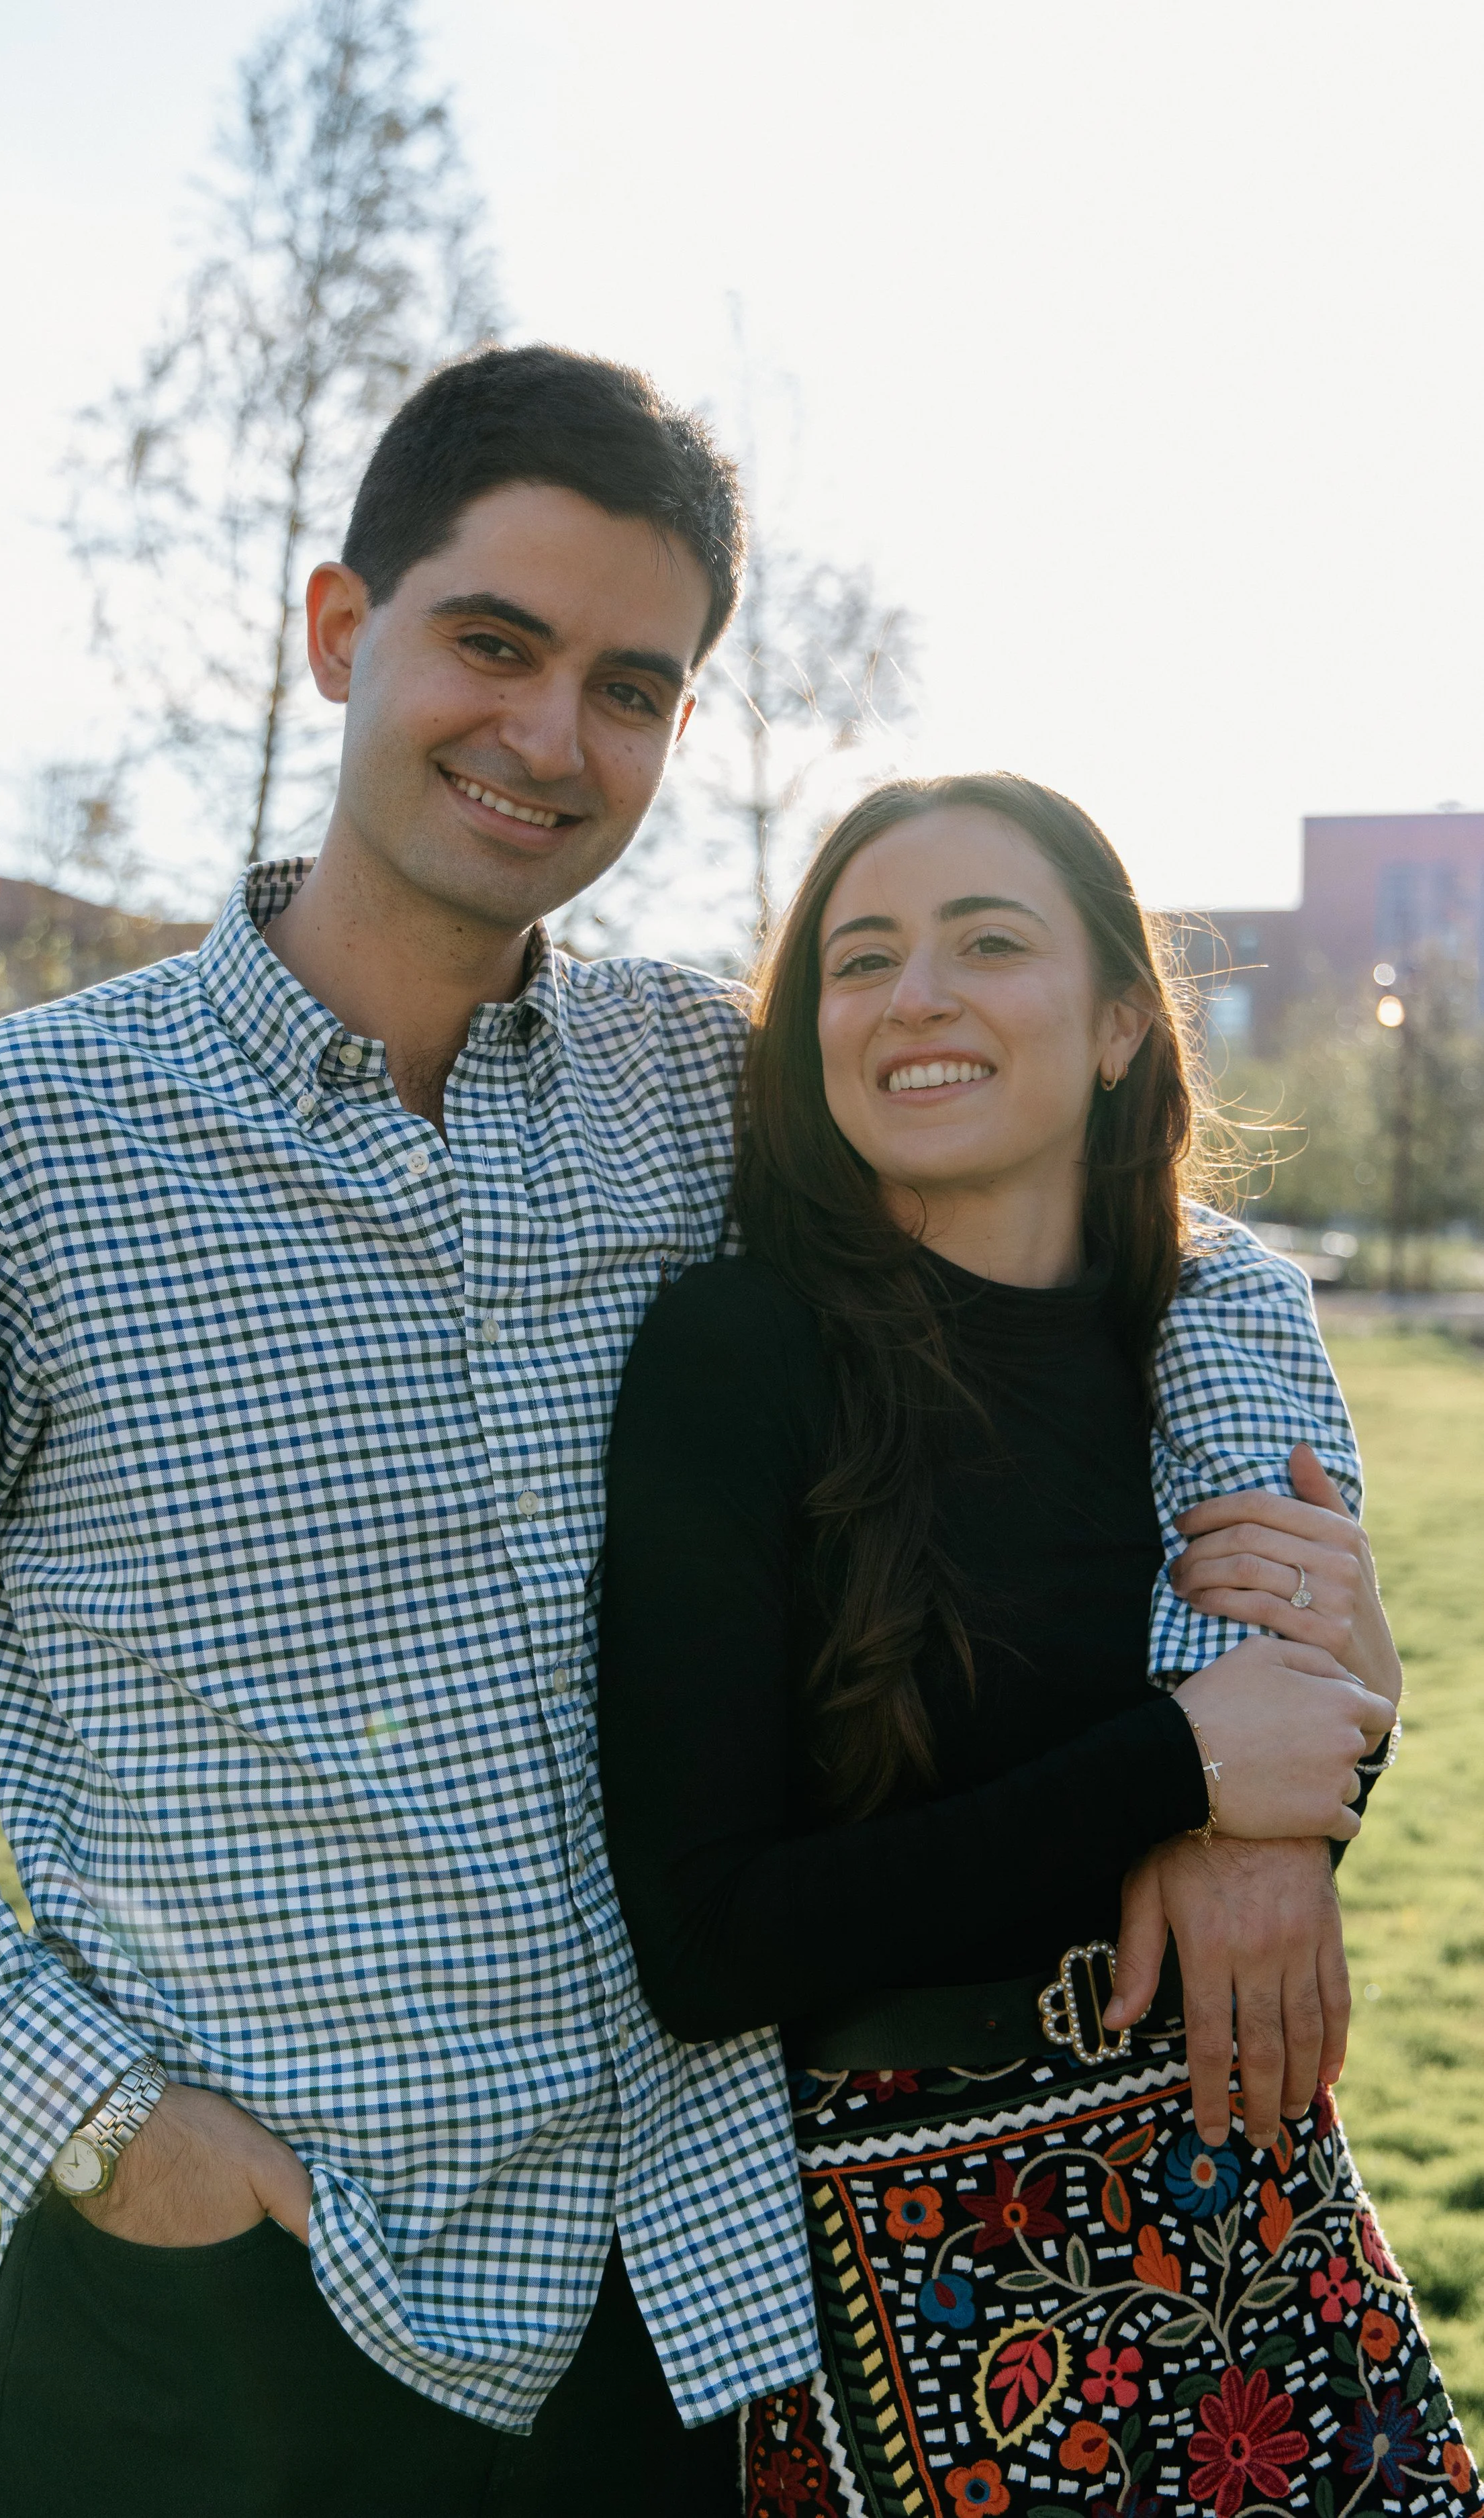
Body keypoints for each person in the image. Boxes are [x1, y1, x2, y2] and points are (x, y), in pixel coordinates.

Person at [0, 344, 1392, 2515]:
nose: (552, 738)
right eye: (493, 643)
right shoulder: (14, 1145)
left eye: (630, 686)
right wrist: (90, 2119)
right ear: (343, 633)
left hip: (694, 2314)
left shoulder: (684, 1085)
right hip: (227, 2318)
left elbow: (1155, 1243)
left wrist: (1245, 1700)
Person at [596, 774, 1473, 2517]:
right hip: (911, 2264)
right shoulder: (737, 1354)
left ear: (1121, 1025)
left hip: (1246, 2216)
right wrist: (1181, 1771)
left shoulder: (1203, 1343)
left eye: (984, 941)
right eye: (858, 958)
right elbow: (704, 1935)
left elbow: (1297, 1713)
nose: (912, 992)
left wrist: (1310, 1779)